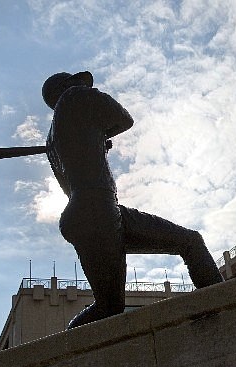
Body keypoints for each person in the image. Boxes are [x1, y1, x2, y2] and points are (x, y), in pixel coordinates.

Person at [42, 71, 223, 329]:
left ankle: (225, 302)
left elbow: (73, 183)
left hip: (84, 213)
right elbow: (123, 119)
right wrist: (103, 133)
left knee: (110, 306)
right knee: (189, 243)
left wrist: (96, 136)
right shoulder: (76, 95)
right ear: (68, 85)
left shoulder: (52, 139)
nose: (83, 85)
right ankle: (227, 305)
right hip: (99, 207)